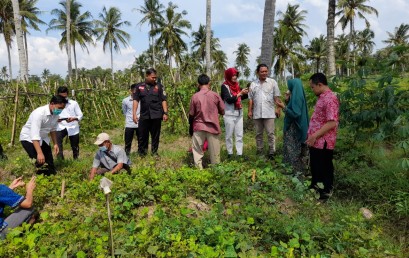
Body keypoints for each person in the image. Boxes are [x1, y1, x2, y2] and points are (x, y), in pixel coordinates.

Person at [305, 73, 339, 201]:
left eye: (313, 87)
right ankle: (315, 187)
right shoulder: (322, 97)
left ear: (320, 85)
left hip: (323, 140)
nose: (312, 89)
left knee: (324, 166)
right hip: (317, 140)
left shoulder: (330, 99)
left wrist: (314, 135)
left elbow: (332, 122)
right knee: (316, 165)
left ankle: (325, 192)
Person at [20, 95, 68, 175]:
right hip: (28, 138)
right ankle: (39, 180)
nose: (60, 111)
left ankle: (51, 179)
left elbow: (53, 129)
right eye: (59, 108)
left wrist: (55, 144)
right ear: (52, 103)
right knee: (40, 162)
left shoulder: (56, 115)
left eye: (62, 109)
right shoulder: (39, 114)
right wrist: (39, 152)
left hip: (43, 138)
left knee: (50, 163)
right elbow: (34, 135)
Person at [189, 74, 225, 169]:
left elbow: (191, 114)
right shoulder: (215, 95)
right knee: (215, 154)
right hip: (213, 127)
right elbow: (222, 111)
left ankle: (199, 171)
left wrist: (191, 128)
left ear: (198, 84)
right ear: (209, 83)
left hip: (199, 126)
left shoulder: (195, 96)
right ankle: (216, 171)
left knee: (197, 151)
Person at [248, 64, 282, 160]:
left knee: (270, 133)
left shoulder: (272, 82)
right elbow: (250, 99)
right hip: (257, 113)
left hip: (269, 113)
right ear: (258, 72)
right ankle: (260, 152)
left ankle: (272, 152)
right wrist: (250, 111)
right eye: (262, 71)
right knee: (258, 134)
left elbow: (276, 97)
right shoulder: (253, 84)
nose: (264, 73)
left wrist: (278, 108)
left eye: (265, 71)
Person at [276, 79, 309, 175]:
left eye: (289, 86)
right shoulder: (296, 96)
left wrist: (283, 107)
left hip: (294, 129)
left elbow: (295, 114)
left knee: (293, 150)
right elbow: (293, 108)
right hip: (294, 127)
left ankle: (295, 172)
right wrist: (287, 101)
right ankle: (291, 170)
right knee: (291, 149)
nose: (288, 88)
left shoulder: (297, 98)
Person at [132, 68, 168, 156]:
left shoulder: (159, 86)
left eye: (155, 77)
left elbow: (163, 100)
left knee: (155, 136)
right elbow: (136, 100)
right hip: (144, 116)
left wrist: (165, 113)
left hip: (156, 115)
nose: (154, 79)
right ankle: (142, 154)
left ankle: (154, 153)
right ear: (147, 76)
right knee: (142, 136)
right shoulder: (139, 86)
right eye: (152, 77)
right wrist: (134, 114)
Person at [220, 67, 249, 159]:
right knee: (229, 135)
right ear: (229, 76)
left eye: (236, 75)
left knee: (239, 134)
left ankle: (239, 153)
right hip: (229, 114)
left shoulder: (237, 85)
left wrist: (246, 93)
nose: (235, 77)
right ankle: (230, 153)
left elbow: (241, 98)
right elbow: (228, 99)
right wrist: (240, 93)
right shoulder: (225, 86)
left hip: (239, 113)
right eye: (233, 75)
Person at [56, 86, 83, 160]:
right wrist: (56, 119)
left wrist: (74, 118)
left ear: (67, 94)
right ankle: (60, 160)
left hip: (72, 126)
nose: (63, 98)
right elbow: (54, 114)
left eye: (65, 96)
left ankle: (76, 159)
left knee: (75, 145)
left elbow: (80, 115)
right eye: (61, 96)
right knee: (58, 143)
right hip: (61, 126)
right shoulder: (56, 104)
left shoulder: (73, 103)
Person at [122, 84, 141, 156]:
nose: (135, 93)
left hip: (140, 123)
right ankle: (126, 155)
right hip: (129, 123)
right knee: (128, 141)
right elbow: (125, 111)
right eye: (134, 91)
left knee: (141, 140)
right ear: (131, 91)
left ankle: (141, 154)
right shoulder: (125, 100)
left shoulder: (141, 100)